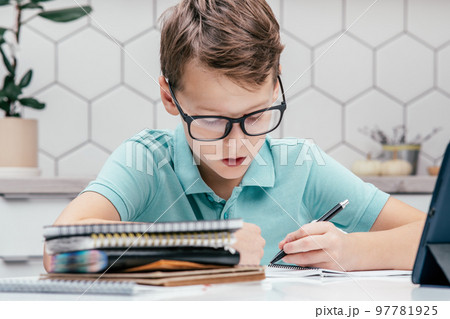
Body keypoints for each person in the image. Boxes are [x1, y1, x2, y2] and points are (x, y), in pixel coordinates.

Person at [43, 0, 425, 272]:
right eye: (211, 120)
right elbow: (61, 247)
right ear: (169, 97)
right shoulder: (145, 161)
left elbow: (434, 239)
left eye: (256, 115)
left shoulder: (303, 166)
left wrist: (352, 250)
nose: (237, 142)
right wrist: (211, 245)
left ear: (276, 87)